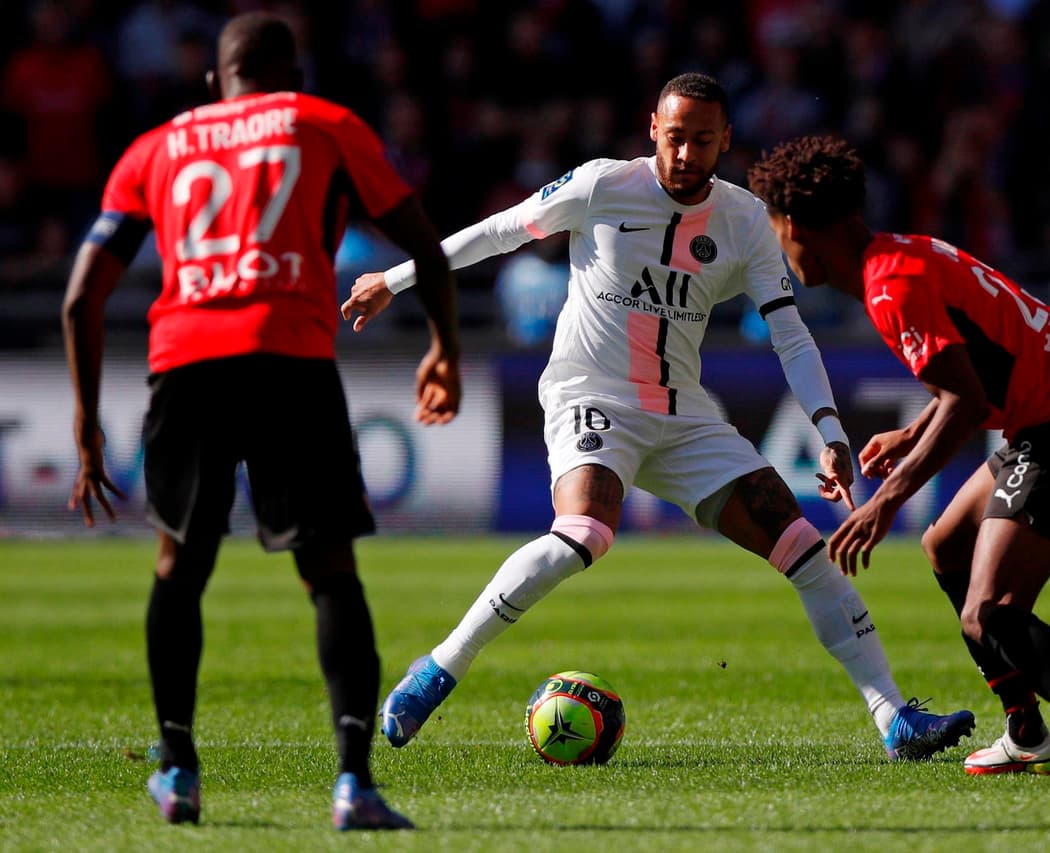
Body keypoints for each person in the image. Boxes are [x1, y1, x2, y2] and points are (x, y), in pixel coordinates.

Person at [340, 73, 975, 761]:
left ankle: (893, 717)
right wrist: (394, 279)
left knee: (803, 550)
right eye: (675, 137)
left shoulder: (744, 221)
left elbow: (789, 332)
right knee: (583, 532)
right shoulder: (602, 185)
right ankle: (438, 668)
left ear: (725, 140)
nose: (685, 153)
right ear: (653, 129)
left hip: (684, 412)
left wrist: (828, 430)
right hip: (593, 394)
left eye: (703, 140)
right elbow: (497, 234)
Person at [62, 12, 461, 830]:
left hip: (186, 365)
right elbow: (423, 240)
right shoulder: (323, 123)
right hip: (291, 364)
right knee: (330, 572)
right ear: (294, 74)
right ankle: (354, 783)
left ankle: (177, 770)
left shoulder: (156, 145)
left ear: (216, 81)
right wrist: (443, 347)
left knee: (179, 567)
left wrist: (85, 424)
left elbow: (79, 298)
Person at [747, 134, 1050, 785]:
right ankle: (1027, 732)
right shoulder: (902, 254)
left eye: (777, 229)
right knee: (945, 547)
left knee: (992, 608)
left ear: (798, 225)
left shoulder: (889, 284)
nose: (780, 246)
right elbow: (972, 376)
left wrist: (885, 500)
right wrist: (910, 432)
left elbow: (967, 402)